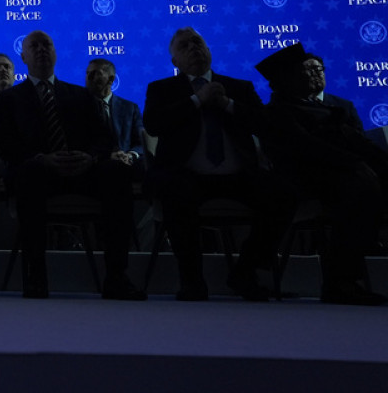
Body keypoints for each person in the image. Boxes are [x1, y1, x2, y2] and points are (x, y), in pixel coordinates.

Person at [143, 27, 296, 301]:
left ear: (209, 51)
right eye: (184, 46)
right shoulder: (161, 89)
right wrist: (197, 100)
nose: (193, 48)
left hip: (237, 176)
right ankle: (192, 281)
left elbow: (265, 125)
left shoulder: (239, 87)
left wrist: (227, 103)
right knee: (176, 193)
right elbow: (154, 124)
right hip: (186, 175)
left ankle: (245, 271)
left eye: (197, 42)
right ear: (174, 61)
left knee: (284, 193)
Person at [0, 30, 145, 300]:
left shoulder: (80, 95)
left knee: (116, 172)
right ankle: (35, 276)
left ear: (56, 53)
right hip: (38, 174)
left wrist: (90, 158)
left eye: (47, 45)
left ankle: (116, 276)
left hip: (81, 172)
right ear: (23, 57)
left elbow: (103, 138)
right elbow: (5, 144)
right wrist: (42, 158)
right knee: (29, 173)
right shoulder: (8, 99)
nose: (42, 50)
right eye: (34, 46)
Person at [256, 43, 387, 305]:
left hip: (343, 177)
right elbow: (309, 148)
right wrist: (355, 163)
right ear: (286, 79)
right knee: (358, 188)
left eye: (316, 70)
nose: (313, 76)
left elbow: (359, 143)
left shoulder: (329, 110)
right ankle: (341, 282)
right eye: (303, 71)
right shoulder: (277, 113)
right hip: (306, 184)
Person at [85, 58, 146, 177]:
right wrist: (108, 156)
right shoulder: (78, 106)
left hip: (129, 163)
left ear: (111, 79)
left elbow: (141, 142)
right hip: (96, 165)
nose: (89, 78)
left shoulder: (130, 108)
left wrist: (131, 155)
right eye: (87, 73)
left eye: (96, 73)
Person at [303, 53, 365, 132]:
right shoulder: (293, 108)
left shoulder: (345, 106)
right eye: (309, 70)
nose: (315, 74)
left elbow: (360, 137)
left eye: (318, 69)